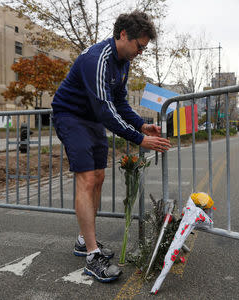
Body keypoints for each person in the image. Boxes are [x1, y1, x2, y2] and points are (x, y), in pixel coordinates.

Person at [51, 11, 171, 283]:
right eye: (139, 46)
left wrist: (142, 125)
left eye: (145, 48)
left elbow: (119, 103)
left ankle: (84, 241)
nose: (140, 52)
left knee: (100, 176)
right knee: (87, 178)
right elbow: (106, 110)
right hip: (70, 116)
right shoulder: (98, 59)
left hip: (92, 118)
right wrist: (140, 140)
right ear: (123, 35)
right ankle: (93, 256)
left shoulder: (124, 61)